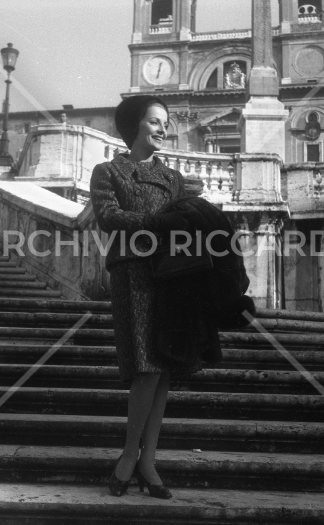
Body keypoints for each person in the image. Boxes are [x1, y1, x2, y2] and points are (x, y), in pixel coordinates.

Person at [90, 95, 199, 499]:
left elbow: (185, 221)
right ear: (135, 124)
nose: (162, 129)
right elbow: (109, 217)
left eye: (165, 123)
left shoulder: (172, 178)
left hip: (170, 275)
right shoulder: (109, 171)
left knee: (164, 367)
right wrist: (158, 222)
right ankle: (128, 456)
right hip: (133, 271)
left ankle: (148, 462)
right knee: (146, 366)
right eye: (155, 122)